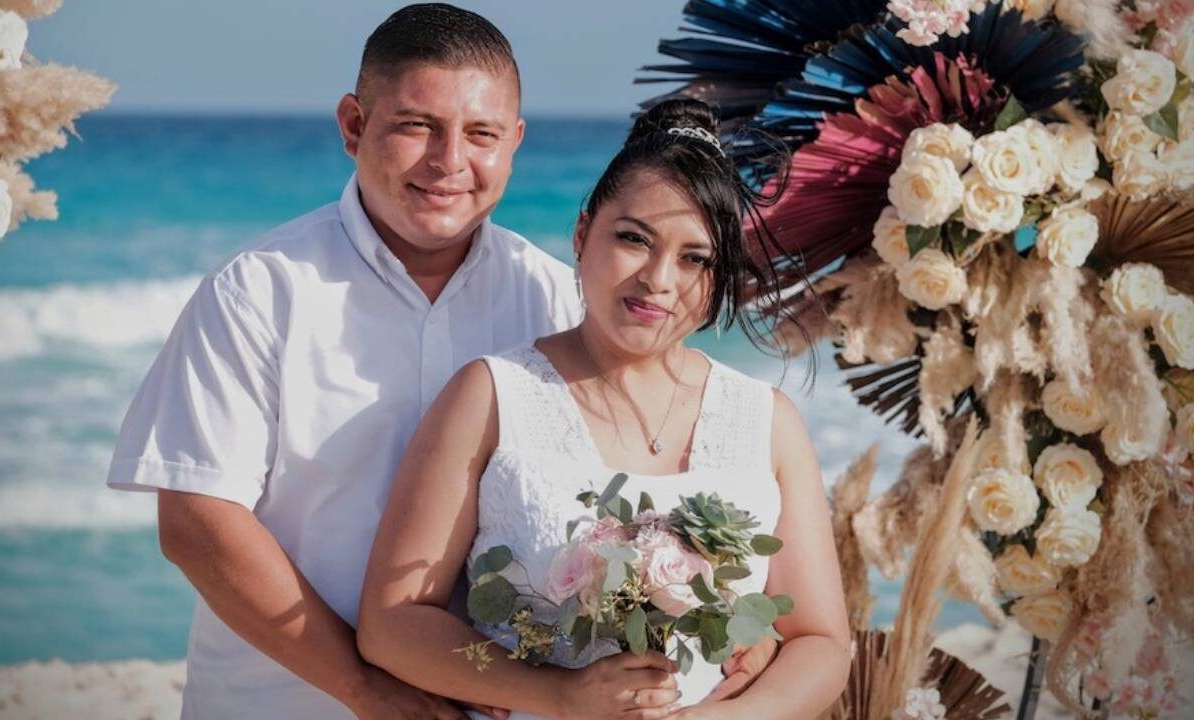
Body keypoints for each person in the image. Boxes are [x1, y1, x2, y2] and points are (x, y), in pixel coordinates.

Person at [106, 5, 773, 718]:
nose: (450, 161)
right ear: (354, 126)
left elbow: (643, 490)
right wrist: (365, 688)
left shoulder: (556, 297)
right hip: (282, 702)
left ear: (514, 143)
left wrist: (734, 624)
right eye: (417, 126)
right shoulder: (261, 291)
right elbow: (198, 523)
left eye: (481, 134)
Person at [356, 99, 852, 720]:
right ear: (583, 232)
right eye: (634, 239)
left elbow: (821, 643)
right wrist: (556, 695)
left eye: (695, 258)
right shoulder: (491, 396)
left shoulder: (767, 421)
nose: (659, 279)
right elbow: (393, 623)